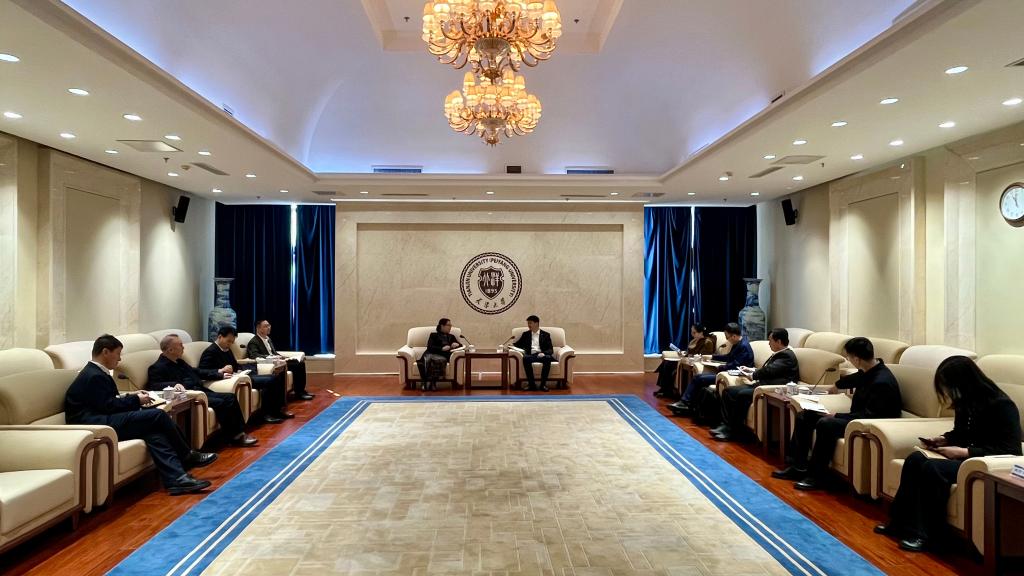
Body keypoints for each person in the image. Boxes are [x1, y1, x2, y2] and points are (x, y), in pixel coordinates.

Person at [876, 356, 1022, 552]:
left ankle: (924, 534)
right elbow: (961, 432)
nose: (947, 391)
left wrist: (965, 452)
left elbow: (1010, 449)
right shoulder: (965, 402)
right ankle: (899, 522)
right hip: (965, 456)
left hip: (984, 461)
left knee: (933, 468)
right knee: (914, 459)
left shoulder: (1002, 405)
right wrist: (944, 439)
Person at [64, 334, 216, 495]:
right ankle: (187, 455)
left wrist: (132, 395)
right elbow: (109, 406)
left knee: (154, 433)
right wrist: (136, 400)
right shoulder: (93, 375)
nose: (120, 359)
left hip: (103, 418)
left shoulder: (96, 372)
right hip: (96, 424)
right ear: (105, 352)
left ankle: (177, 479)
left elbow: (106, 400)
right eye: (118, 354)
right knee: (158, 415)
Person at [772, 337, 902, 490]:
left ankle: (816, 476)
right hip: (857, 417)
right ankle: (798, 467)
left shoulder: (882, 382)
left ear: (857, 359)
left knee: (826, 423)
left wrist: (837, 416)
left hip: (870, 423)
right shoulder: (869, 370)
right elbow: (855, 378)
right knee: (805, 416)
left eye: (849, 358)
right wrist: (836, 386)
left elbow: (870, 416)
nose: (849, 361)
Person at [148, 334, 258, 447]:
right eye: (180, 345)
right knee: (221, 402)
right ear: (170, 350)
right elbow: (153, 385)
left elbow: (197, 372)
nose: (183, 347)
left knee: (230, 397)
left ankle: (240, 433)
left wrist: (219, 373)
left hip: (201, 390)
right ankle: (233, 436)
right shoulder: (157, 367)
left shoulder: (180, 362)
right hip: (191, 396)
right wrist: (173, 384)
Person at [711, 328, 799, 442]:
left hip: (771, 389)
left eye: (770, 340)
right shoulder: (779, 354)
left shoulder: (787, 356)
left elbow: (769, 371)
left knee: (742, 394)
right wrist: (751, 370)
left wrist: (752, 375)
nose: (769, 343)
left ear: (778, 341)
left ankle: (733, 431)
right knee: (728, 391)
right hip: (761, 385)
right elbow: (768, 370)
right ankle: (725, 425)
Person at [199, 325, 293, 423]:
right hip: (229, 380)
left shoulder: (226, 349)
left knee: (276, 377)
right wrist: (220, 370)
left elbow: (234, 365)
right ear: (220, 337)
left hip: (238, 375)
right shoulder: (210, 351)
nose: (230, 344)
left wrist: (241, 370)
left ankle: (277, 411)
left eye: (232, 342)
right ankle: (267, 414)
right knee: (270, 380)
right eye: (228, 341)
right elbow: (203, 371)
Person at [668, 322, 754, 415]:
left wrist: (720, 367)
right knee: (698, 377)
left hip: (732, 375)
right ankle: (687, 404)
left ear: (734, 336)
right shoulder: (737, 343)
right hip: (726, 372)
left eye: (727, 337)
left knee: (699, 379)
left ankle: (685, 403)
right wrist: (712, 357)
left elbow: (736, 365)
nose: (726, 340)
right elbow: (728, 357)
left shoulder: (744, 346)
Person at [247, 319, 313, 401]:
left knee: (300, 363)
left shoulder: (268, 339)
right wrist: (271, 356)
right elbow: (254, 355)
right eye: (266, 326)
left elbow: (274, 352)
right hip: (269, 363)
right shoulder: (254, 341)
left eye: (269, 325)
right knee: (297, 365)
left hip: (278, 361)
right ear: (258, 328)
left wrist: (283, 357)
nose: (269, 328)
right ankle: (299, 393)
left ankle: (301, 391)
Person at [654, 323, 715, 398]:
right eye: (691, 332)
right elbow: (689, 352)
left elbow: (703, 356)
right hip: (686, 359)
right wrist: (683, 354)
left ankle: (666, 390)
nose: (692, 334)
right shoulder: (694, 341)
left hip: (692, 362)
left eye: (694, 332)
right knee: (666, 362)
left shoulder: (707, 342)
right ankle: (663, 388)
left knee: (669, 365)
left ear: (701, 333)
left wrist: (689, 356)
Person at [418, 318, 462, 391]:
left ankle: (433, 383)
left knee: (439, 360)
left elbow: (460, 345)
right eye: (448, 325)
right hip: (431, 353)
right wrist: (441, 348)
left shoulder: (451, 336)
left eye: (450, 325)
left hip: (443, 356)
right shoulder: (433, 335)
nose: (450, 327)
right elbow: (430, 347)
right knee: (428, 359)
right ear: (442, 326)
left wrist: (457, 345)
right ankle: (424, 382)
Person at [512, 315, 554, 392]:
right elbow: (518, 344)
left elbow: (550, 349)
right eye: (528, 323)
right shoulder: (526, 334)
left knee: (548, 358)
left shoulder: (546, 335)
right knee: (525, 358)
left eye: (530, 323)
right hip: (531, 355)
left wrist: (544, 353)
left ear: (536, 323)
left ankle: (543, 385)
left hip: (542, 355)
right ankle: (532, 385)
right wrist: (510, 346)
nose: (528, 325)